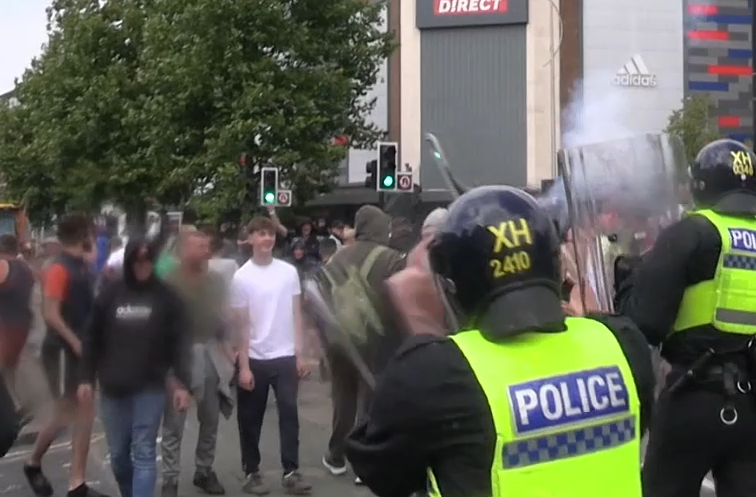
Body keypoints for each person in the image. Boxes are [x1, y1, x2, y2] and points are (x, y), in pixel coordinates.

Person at [344, 185, 656, 496]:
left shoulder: (434, 375)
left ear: (451, 286)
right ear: (558, 266)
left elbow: (379, 468)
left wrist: (422, 322)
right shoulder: (623, 345)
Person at [618, 140, 756, 497]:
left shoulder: (692, 232)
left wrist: (631, 276)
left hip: (695, 395)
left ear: (700, 185)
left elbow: (646, 321)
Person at [84, 238, 192, 497]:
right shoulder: (110, 294)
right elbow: (92, 337)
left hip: (150, 387)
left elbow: (180, 342)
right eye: (137, 260)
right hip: (113, 388)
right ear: (129, 261)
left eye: (147, 260)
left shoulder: (168, 297)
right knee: (120, 455)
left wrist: (181, 383)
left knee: (143, 452)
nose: (142, 266)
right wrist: (85, 378)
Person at [317, 205, 406, 482]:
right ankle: (363, 463)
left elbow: (321, 301)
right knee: (371, 400)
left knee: (343, 400)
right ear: (381, 227)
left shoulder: (335, 259)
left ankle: (336, 455)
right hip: (376, 341)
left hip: (339, 341)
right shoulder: (392, 259)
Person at [24, 214, 109, 497]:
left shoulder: (83, 265)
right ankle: (33, 462)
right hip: (61, 351)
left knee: (85, 412)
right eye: (91, 233)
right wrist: (75, 343)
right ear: (83, 234)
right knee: (63, 416)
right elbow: (51, 314)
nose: (94, 238)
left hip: (80, 351)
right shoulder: (59, 269)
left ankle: (77, 484)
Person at [230, 216, 312, 495]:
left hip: (285, 355)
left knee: (289, 413)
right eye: (261, 234)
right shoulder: (241, 277)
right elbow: (240, 325)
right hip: (255, 357)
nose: (267, 239)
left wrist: (301, 355)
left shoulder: (288, 272)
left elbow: (296, 314)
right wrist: (243, 366)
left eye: (271, 234)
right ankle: (251, 471)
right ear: (250, 238)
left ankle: (292, 471)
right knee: (250, 419)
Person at [161, 229, 233, 497]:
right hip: (179, 355)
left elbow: (222, 318)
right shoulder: (169, 281)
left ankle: (204, 471)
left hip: (211, 352)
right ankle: (170, 479)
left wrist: (229, 347)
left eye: (206, 245)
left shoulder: (216, 280)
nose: (205, 250)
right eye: (198, 246)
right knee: (174, 422)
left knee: (210, 418)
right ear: (183, 250)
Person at [0, 234, 35, 403]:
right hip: (22, 323)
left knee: (4, 368)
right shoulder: (26, 268)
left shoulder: (2, 265)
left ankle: (11, 406)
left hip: (5, 324)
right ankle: (15, 402)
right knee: (9, 368)